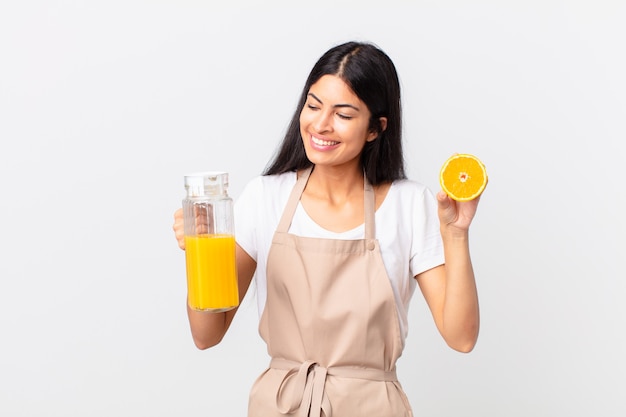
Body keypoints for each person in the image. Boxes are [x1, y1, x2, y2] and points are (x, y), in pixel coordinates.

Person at [172, 40, 483, 417]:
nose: (320, 124)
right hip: (281, 406)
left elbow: (461, 337)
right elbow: (207, 334)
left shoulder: (409, 204)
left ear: (375, 128)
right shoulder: (264, 198)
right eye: (313, 105)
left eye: (343, 114)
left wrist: (456, 234)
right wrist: (200, 250)